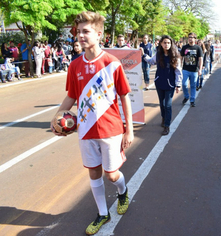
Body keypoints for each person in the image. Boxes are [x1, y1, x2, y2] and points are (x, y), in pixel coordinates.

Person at [51, 11, 133, 235]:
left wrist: (129, 131)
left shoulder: (112, 63)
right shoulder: (74, 66)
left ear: (99, 34)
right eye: (79, 32)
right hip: (85, 131)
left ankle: (123, 191)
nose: (81, 36)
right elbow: (71, 95)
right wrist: (57, 118)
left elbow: (125, 96)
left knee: (111, 174)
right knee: (94, 173)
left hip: (111, 129)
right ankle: (102, 214)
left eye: (86, 32)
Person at [141, 35, 182, 135]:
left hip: (170, 84)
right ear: (161, 44)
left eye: (168, 43)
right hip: (159, 83)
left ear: (171, 44)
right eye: (164, 42)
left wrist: (178, 84)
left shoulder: (175, 55)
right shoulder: (158, 55)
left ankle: (167, 126)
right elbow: (151, 61)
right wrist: (143, 55)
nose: (166, 44)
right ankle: (163, 117)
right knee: (162, 104)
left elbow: (178, 71)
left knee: (167, 105)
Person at [180, 32, 203, 107]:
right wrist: (180, 67)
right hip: (185, 69)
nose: (190, 39)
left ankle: (192, 100)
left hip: (194, 70)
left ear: (195, 39)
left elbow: (200, 59)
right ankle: (186, 96)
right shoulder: (184, 47)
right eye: (189, 37)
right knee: (184, 84)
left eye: (192, 37)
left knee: (193, 86)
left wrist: (200, 69)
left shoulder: (198, 48)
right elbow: (181, 57)